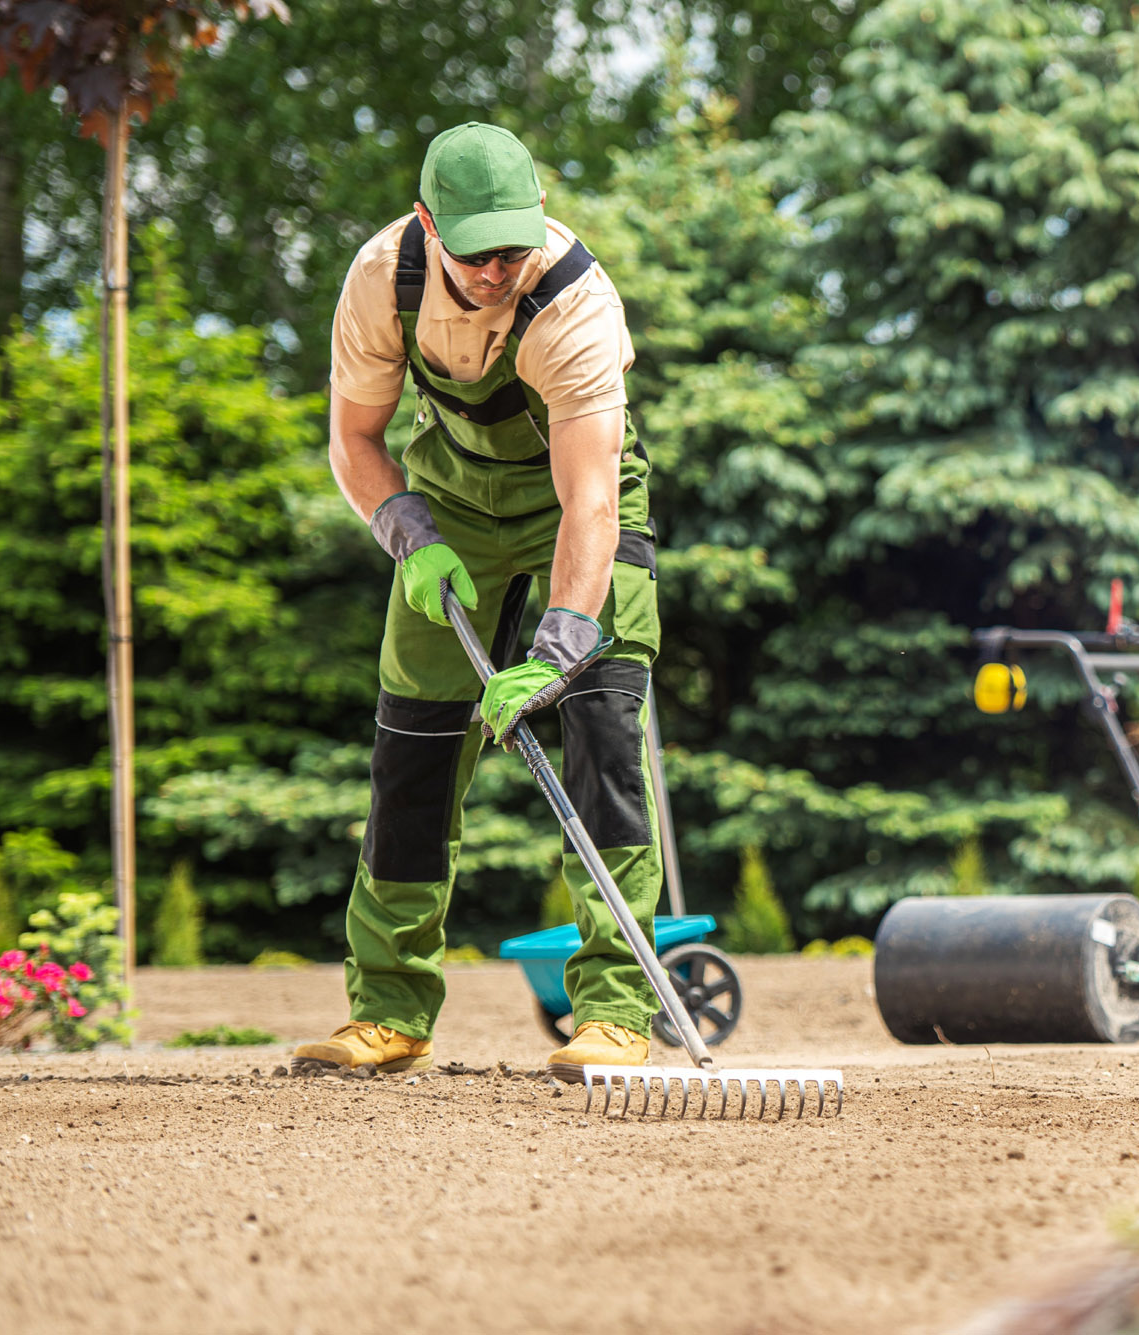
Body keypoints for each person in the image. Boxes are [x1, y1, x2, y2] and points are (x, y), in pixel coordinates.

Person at [291, 122, 662, 1081]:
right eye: (476, 251)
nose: (498, 270)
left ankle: (618, 1011)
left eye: (513, 246)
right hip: (449, 503)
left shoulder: (573, 299)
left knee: (602, 732)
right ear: (427, 224)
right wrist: (408, 536)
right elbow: (355, 441)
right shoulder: (382, 281)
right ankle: (390, 1011)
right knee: (412, 745)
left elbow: (589, 500)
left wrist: (561, 643)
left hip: (581, 511)